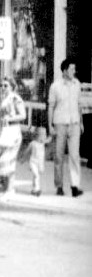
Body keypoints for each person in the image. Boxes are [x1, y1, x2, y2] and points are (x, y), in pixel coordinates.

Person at [48, 58, 84, 197]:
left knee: (75, 156)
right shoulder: (55, 86)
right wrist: (50, 125)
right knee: (58, 156)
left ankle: (75, 186)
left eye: (74, 69)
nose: (74, 72)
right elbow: (51, 106)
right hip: (60, 123)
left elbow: (79, 104)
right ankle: (59, 186)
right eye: (71, 69)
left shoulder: (77, 84)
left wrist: (81, 123)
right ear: (64, 70)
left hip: (74, 123)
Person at [0, 77, 27, 195]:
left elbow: (23, 115)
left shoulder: (15, 99)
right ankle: (6, 188)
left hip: (13, 131)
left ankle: (9, 189)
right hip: (3, 132)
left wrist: (10, 118)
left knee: (7, 162)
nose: (3, 88)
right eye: (1, 85)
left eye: (6, 85)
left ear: (12, 87)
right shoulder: (3, 99)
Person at [28, 126, 50, 197]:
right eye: (44, 135)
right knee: (36, 175)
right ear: (38, 136)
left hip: (40, 163)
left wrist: (52, 135)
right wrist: (23, 158)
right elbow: (27, 151)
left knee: (36, 176)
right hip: (33, 162)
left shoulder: (43, 143)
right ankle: (37, 189)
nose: (45, 136)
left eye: (46, 134)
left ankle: (34, 188)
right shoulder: (33, 143)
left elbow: (49, 139)